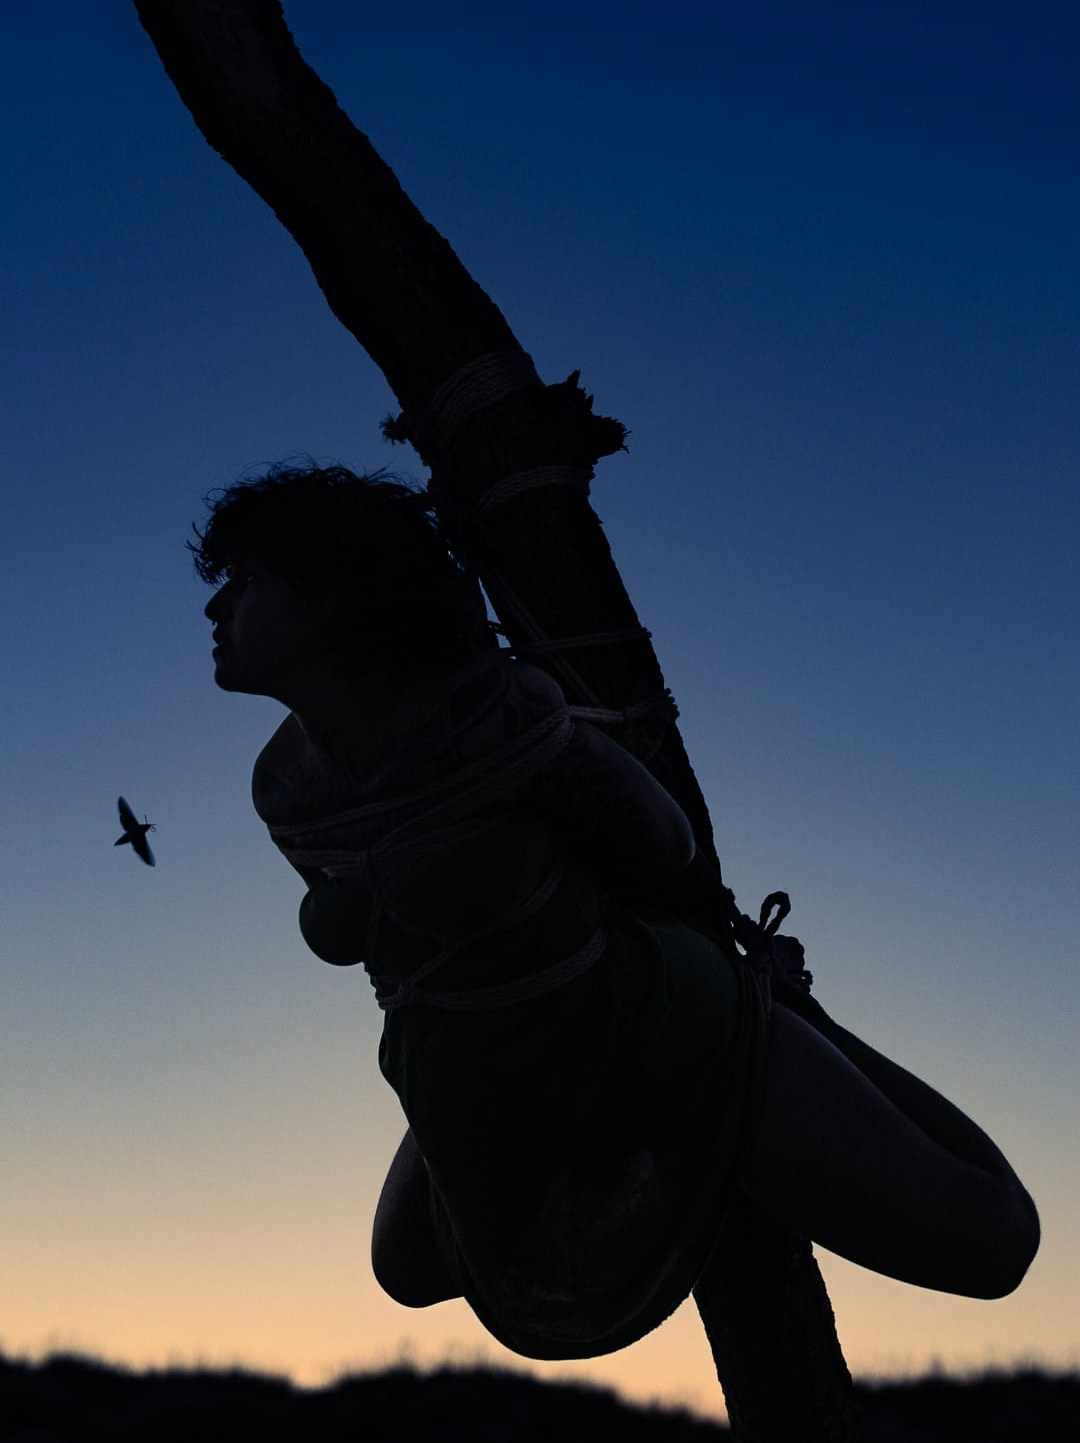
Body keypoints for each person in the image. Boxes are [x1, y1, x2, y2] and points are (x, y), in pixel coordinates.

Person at [194, 460, 1040, 1359]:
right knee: (408, 1268)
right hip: (469, 1060)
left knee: (990, 1246)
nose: (216, 610)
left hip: (640, 1018)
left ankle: (781, 1011)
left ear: (338, 591)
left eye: (244, 581)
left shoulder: (494, 718)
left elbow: (660, 843)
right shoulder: (284, 790)